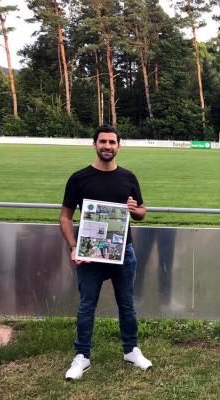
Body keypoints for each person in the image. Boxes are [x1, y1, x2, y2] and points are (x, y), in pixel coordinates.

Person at [59, 124, 152, 380]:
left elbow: (143, 211)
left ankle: (131, 349)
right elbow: (65, 217)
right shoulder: (79, 178)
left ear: (119, 146)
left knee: (127, 304)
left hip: (124, 252)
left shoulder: (128, 177)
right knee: (87, 306)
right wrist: (73, 245)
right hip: (90, 253)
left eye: (112, 142)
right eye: (103, 142)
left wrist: (135, 210)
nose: (107, 146)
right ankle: (82, 356)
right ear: (95, 144)